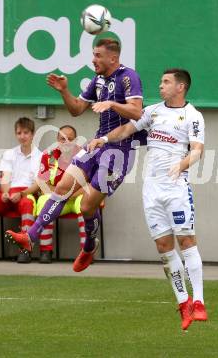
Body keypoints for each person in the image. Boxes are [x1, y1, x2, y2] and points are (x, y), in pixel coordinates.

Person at [6, 38, 144, 272]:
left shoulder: (128, 76)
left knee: (87, 207)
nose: (93, 60)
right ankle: (30, 237)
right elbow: (77, 109)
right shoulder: (98, 80)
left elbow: (136, 111)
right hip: (96, 144)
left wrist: (112, 104)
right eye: (93, 54)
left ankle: (90, 246)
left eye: (98, 55)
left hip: (120, 151)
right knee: (61, 187)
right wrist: (64, 91)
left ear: (113, 58)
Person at [87, 69, 207, 330]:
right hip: (151, 190)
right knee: (164, 248)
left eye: (166, 82)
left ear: (181, 87)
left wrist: (182, 164)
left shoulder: (192, 116)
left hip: (176, 188)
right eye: (161, 80)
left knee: (186, 241)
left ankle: (199, 302)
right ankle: (183, 304)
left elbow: (198, 150)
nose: (161, 85)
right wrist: (104, 139)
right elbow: (127, 129)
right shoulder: (152, 112)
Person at [0, 117, 41, 263]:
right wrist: (5, 192)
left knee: (27, 204)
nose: (22, 136)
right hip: (8, 191)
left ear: (32, 134)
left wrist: (21, 194)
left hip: (26, 193)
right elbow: (5, 177)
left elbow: (38, 184)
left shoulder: (41, 156)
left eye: (26, 132)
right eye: (19, 133)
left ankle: (25, 251)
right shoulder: (9, 153)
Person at [34, 125, 86, 263]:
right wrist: (60, 194)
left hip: (76, 197)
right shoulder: (48, 155)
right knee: (44, 201)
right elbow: (43, 183)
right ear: (57, 140)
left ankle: (85, 251)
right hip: (57, 198)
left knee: (85, 203)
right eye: (62, 139)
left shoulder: (84, 156)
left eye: (70, 139)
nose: (66, 142)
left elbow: (89, 186)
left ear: (76, 140)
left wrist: (68, 194)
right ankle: (46, 251)